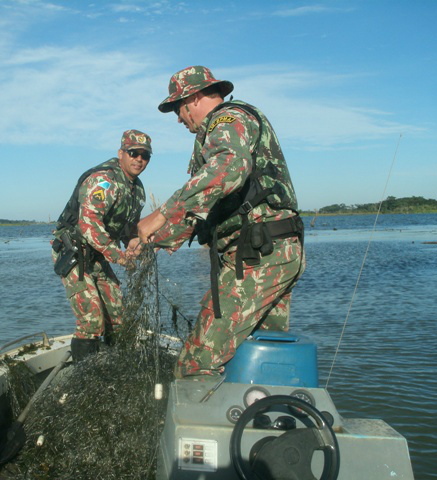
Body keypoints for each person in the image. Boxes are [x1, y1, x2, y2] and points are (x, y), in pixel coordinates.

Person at [138, 66, 304, 379]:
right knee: (263, 353)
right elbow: (210, 204)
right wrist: (158, 239)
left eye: (177, 108)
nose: (178, 118)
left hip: (258, 256)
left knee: (194, 362)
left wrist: (160, 215)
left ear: (194, 98)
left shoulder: (228, 120)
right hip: (272, 251)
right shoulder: (224, 127)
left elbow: (229, 167)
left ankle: (200, 422)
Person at [53, 130, 152, 362]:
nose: (139, 159)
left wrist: (135, 246)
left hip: (99, 255)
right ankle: (84, 376)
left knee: (119, 316)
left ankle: (113, 366)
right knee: (91, 320)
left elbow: (128, 229)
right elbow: (88, 224)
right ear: (121, 154)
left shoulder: (137, 190)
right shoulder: (104, 180)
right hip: (74, 253)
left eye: (145, 156)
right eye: (133, 153)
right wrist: (118, 256)